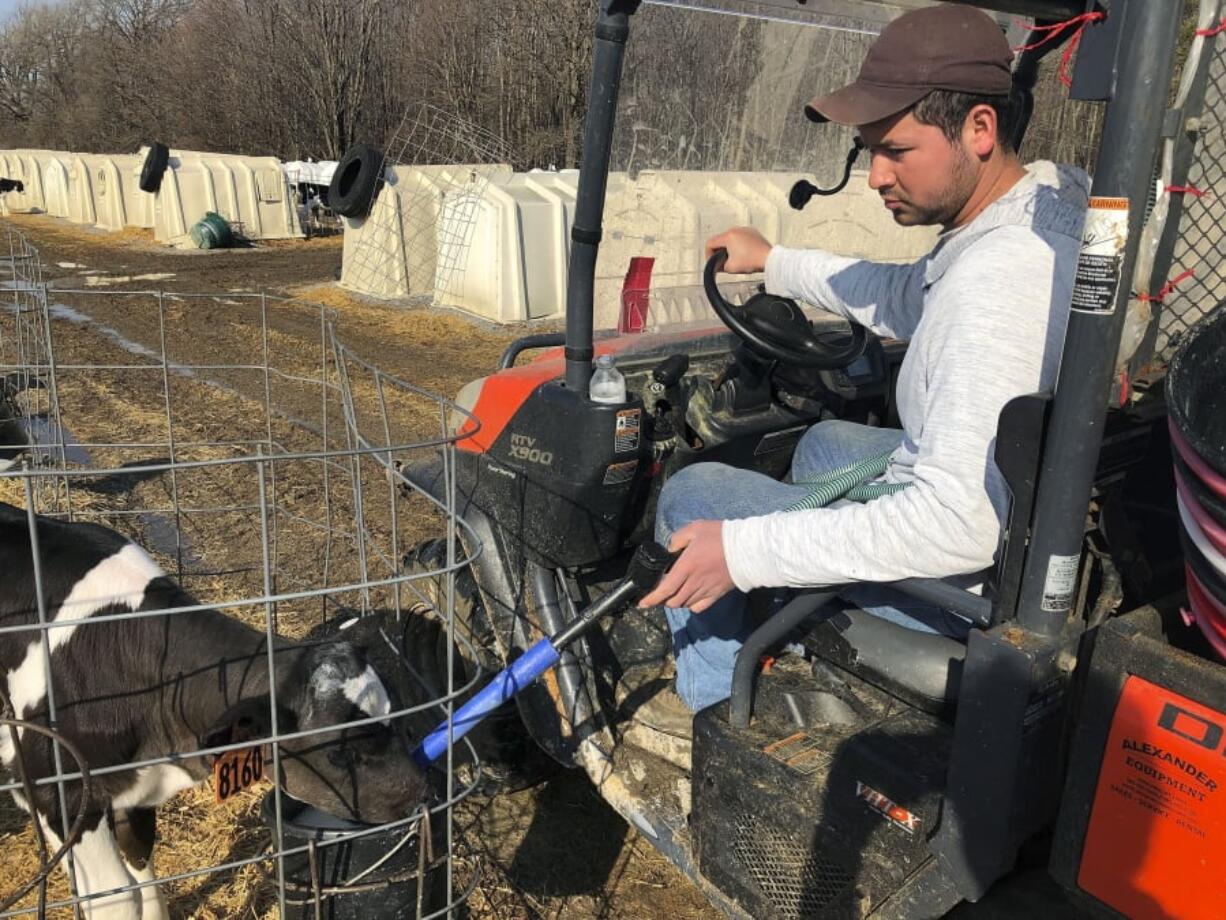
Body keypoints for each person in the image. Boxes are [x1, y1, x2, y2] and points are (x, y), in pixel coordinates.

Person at [639, 5, 1090, 714]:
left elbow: (958, 523)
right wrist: (776, 262)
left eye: (897, 151)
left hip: (959, 597)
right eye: (868, 150)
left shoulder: (999, 285)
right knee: (822, 443)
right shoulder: (1039, 213)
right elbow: (904, 294)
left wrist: (745, 552)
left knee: (691, 496)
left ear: (979, 128)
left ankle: (717, 722)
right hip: (1024, 528)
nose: (875, 175)